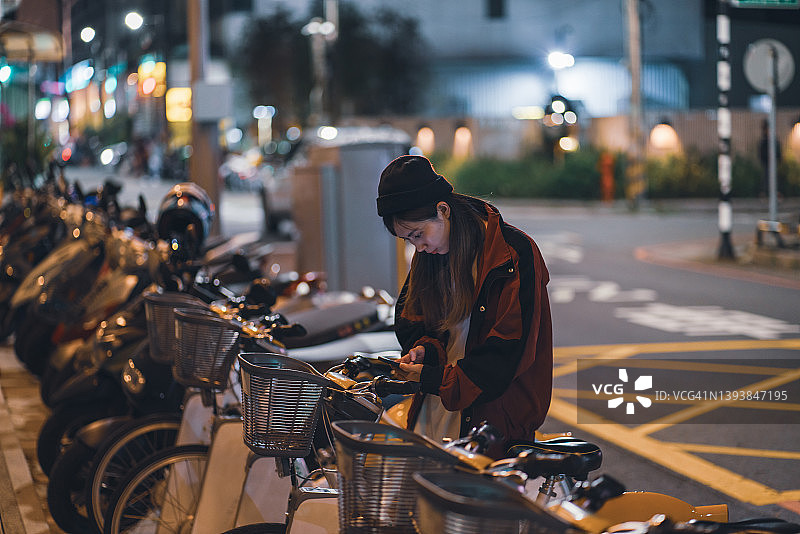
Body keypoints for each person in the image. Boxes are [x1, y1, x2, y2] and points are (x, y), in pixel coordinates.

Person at [375, 155, 553, 453]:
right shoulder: (431, 253)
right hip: (436, 411)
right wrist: (425, 350)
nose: (418, 247)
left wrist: (434, 378)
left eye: (418, 235)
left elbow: (508, 351)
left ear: (442, 210)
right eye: (408, 240)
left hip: (493, 424)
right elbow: (415, 321)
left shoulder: (512, 253)